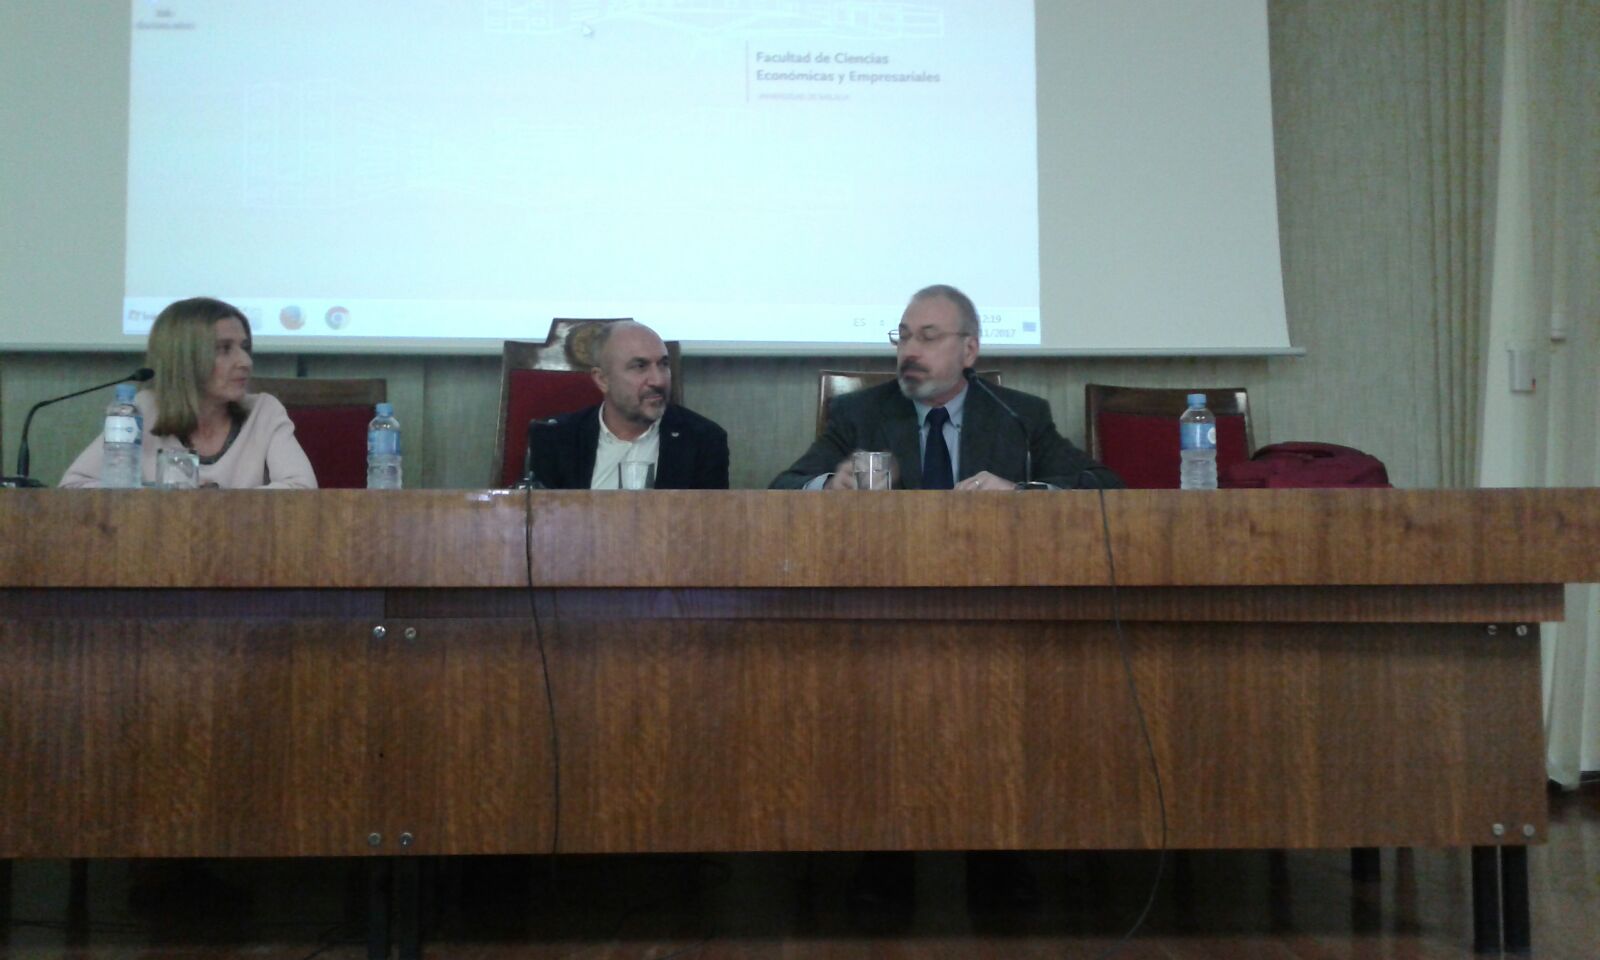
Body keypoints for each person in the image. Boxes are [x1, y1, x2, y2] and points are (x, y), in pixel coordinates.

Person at [770, 284, 1120, 491]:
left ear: (969, 350)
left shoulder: (1019, 415)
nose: (910, 351)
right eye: (903, 337)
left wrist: (1020, 493)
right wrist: (829, 486)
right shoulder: (860, 413)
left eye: (929, 337)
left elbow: (1104, 483)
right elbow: (783, 486)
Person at [61, 297, 316, 489]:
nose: (245, 361)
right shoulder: (142, 410)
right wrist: (154, 500)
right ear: (185, 359)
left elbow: (302, 489)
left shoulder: (263, 411)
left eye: (245, 347)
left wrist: (219, 503)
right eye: (225, 349)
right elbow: (74, 486)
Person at [524, 320, 729, 489]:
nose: (658, 381)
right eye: (640, 367)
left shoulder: (703, 440)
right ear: (602, 379)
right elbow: (537, 526)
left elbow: (709, 529)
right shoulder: (555, 439)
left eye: (663, 364)